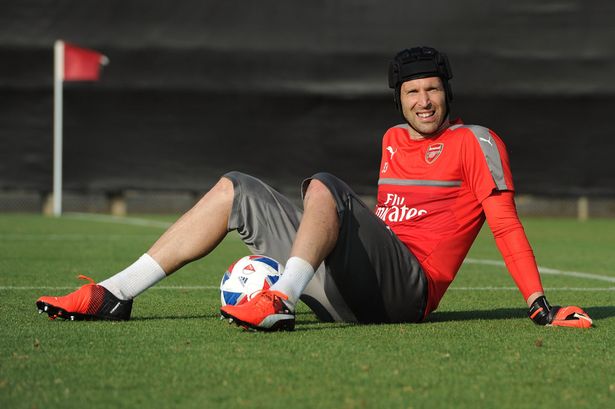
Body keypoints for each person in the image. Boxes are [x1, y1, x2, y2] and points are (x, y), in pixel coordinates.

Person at [36, 46, 592, 330]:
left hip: (408, 294)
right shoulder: (392, 138)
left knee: (324, 185)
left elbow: (506, 224)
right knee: (237, 187)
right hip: (355, 287)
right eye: (412, 92)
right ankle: (114, 294)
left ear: (448, 92)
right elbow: (387, 223)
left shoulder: (477, 142)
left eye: (433, 90)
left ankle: (279, 299)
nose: (424, 101)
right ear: (397, 99)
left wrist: (539, 305)